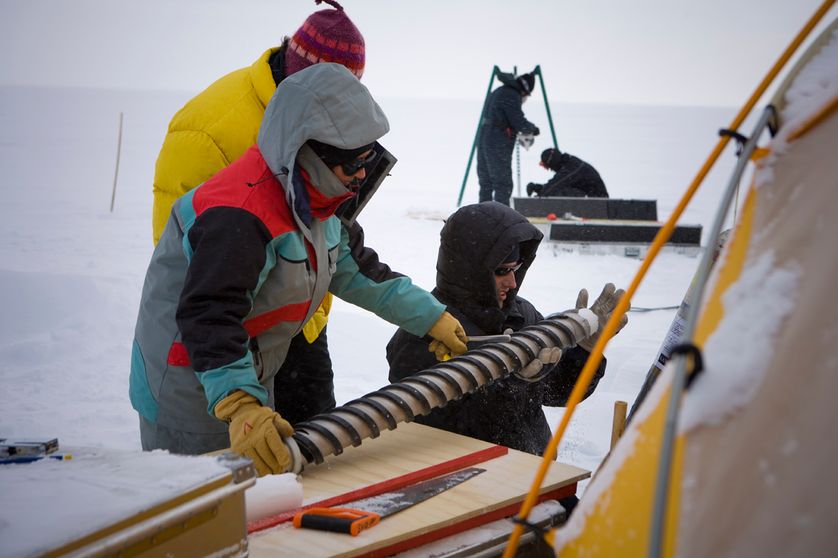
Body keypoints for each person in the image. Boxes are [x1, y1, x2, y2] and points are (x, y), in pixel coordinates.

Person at [130, 63, 468, 476]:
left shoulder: (317, 202)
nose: (362, 175)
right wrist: (240, 407)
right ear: (305, 152)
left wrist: (432, 317)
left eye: (369, 160)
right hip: (191, 390)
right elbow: (210, 316)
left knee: (259, 502)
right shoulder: (238, 216)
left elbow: (359, 272)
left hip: (245, 379)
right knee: (201, 517)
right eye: (352, 165)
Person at [150, 1, 367, 427]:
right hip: (228, 337)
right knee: (230, 476)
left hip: (302, 323)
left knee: (315, 460)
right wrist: (232, 385)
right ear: (304, 78)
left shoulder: (326, 124)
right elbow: (188, 267)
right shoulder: (209, 131)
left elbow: (330, 229)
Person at [387, 202, 627, 456]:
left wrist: (584, 351)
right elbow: (438, 424)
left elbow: (555, 392)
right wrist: (514, 380)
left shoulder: (521, 315)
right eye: (502, 271)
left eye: (515, 269)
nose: (512, 282)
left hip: (535, 473)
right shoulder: (424, 331)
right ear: (471, 268)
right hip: (465, 481)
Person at [477, 71, 540, 206]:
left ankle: (482, 216)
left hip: (484, 137)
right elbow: (518, 121)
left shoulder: (499, 91)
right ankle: (502, 218)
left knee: (486, 182)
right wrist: (533, 129)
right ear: (525, 90)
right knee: (502, 184)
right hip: (497, 141)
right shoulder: (511, 95)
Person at [526, 147, 609, 198]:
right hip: (589, 198)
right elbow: (556, 184)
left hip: (598, 201)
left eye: (548, 167)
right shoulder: (568, 164)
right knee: (558, 191)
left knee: (559, 192)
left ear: (553, 163)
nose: (549, 169)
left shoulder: (572, 167)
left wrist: (540, 197)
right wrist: (539, 188)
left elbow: (556, 184)